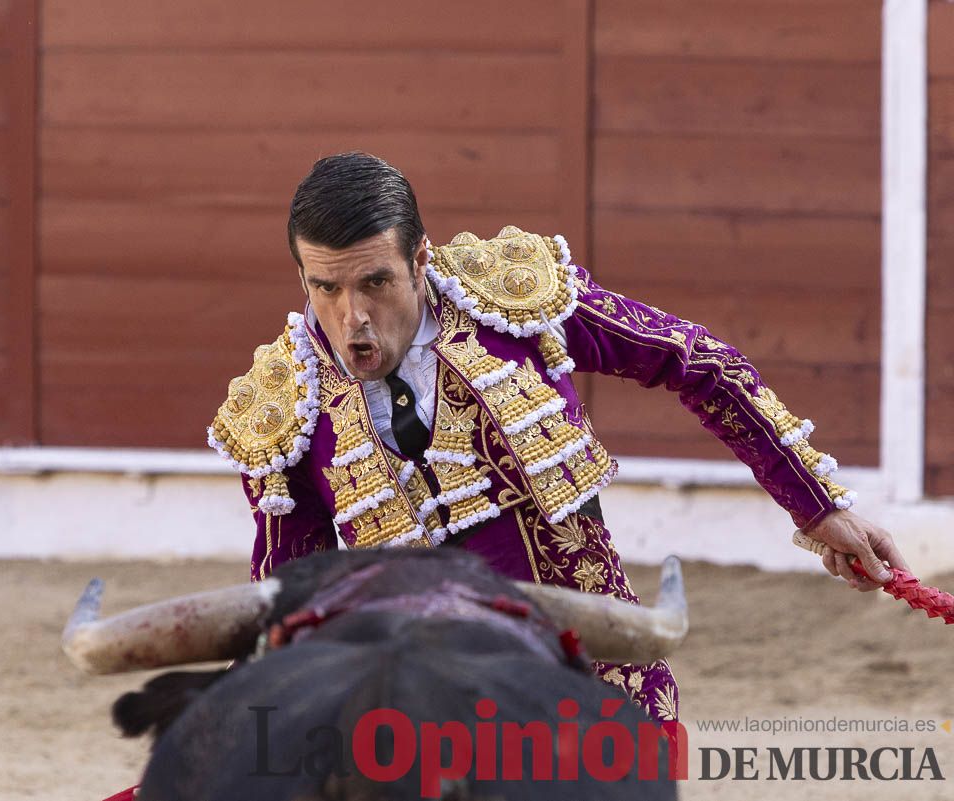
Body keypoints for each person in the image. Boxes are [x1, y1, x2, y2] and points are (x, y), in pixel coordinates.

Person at [206, 151, 911, 724]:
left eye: (375, 282)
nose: (352, 317)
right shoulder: (285, 410)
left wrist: (818, 505)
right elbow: (286, 598)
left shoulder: (513, 302)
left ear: (419, 259)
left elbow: (697, 362)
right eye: (326, 288)